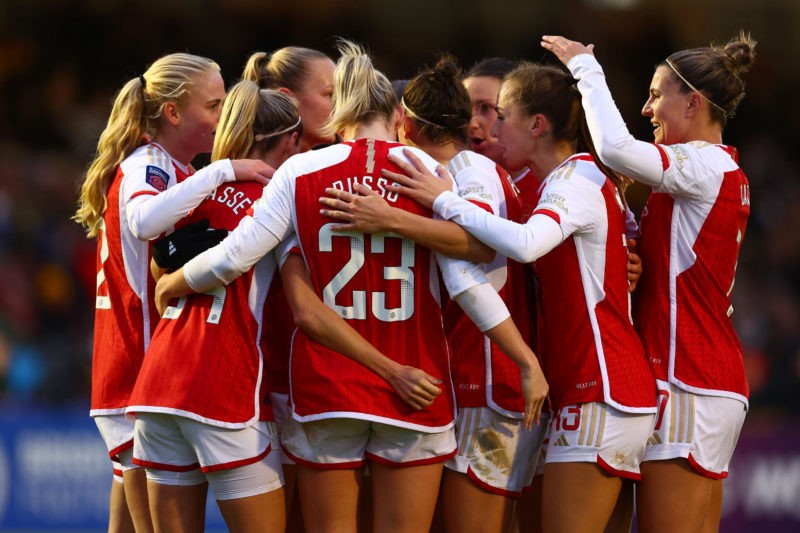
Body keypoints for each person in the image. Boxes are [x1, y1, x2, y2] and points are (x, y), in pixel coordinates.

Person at [153, 39, 546, 533]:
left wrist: (174, 282)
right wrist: (525, 358)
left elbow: (235, 256)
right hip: (416, 383)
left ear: (339, 113)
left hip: (327, 388)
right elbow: (467, 272)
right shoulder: (428, 172)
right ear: (399, 113)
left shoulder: (299, 171)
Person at [369, 61, 658, 533]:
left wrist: (439, 202)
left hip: (599, 387)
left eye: (497, 113)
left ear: (537, 124)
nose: (485, 125)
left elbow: (516, 244)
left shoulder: (570, 181)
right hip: (583, 389)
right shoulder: (543, 184)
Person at [320, 54, 546, 532]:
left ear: (405, 121)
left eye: (496, 110)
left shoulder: (472, 171)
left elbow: (478, 252)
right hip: (459, 380)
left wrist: (391, 219)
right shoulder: (446, 172)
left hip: (488, 380)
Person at [541, 32, 756, 533]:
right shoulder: (711, 172)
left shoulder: (702, 164)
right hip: (706, 376)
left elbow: (615, 149)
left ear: (694, 102)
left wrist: (585, 69)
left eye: (657, 95)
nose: (646, 108)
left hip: (689, 379)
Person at [73, 52, 271, 533]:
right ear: (173, 113)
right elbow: (143, 221)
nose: (222, 118)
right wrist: (223, 171)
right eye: (213, 106)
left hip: (134, 370)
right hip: (134, 366)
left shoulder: (173, 167)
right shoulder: (150, 164)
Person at [126, 82, 303, 533]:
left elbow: (157, 266)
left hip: (159, 386)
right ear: (289, 141)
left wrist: (171, 284)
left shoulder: (196, 189)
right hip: (222, 386)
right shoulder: (281, 200)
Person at [242, 46, 336, 151]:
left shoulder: (328, 163)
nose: (342, 104)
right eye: (330, 94)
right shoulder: (253, 166)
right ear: (287, 99)